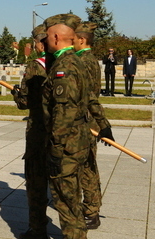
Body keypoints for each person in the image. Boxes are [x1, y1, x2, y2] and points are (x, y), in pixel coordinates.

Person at [41, 14, 90, 239]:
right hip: (77, 139)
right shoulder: (75, 60)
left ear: (57, 37)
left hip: (67, 142)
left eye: (47, 37)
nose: (44, 41)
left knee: (65, 199)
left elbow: (64, 111)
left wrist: (56, 148)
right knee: (73, 197)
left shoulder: (64, 66)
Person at [74, 22, 115, 230]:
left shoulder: (84, 61)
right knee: (84, 166)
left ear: (81, 40)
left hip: (85, 120)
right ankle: (88, 207)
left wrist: (101, 122)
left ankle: (91, 211)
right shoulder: (85, 59)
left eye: (73, 39)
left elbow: (87, 95)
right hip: (85, 118)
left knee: (87, 167)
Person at [11, 24, 49, 239]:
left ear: (39, 43)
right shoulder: (69, 62)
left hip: (39, 132)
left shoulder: (35, 66)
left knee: (36, 182)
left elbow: (26, 102)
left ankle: (38, 230)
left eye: (35, 42)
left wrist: (16, 94)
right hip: (66, 132)